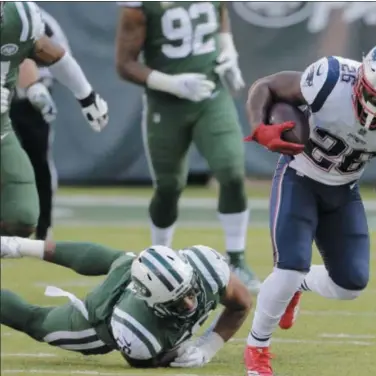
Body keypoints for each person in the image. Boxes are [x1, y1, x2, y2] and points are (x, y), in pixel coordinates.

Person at [242, 39, 376, 375]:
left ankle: (299, 288)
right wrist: (259, 127)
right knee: (289, 267)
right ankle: (257, 348)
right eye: (371, 94)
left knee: (351, 285)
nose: (373, 106)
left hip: (343, 190)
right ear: (361, 75)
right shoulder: (331, 77)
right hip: (298, 176)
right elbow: (266, 86)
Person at [115, 2, 260, 293]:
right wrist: (171, 83)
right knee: (169, 187)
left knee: (231, 172)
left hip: (210, 95)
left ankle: (237, 259)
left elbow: (220, 15)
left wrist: (228, 50)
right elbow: (125, 64)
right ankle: (157, 259)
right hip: (166, 105)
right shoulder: (140, 6)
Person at [0, 236, 252, 368]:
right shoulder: (137, 331)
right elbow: (143, 362)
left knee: (123, 259)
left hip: (134, 275)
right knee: (36, 321)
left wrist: (208, 348)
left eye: (190, 292)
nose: (189, 305)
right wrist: (178, 353)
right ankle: (15, 247)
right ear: (152, 303)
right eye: (176, 303)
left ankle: (15, 245)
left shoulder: (206, 266)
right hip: (102, 319)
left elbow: (241, 304)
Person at [1, 1, 108, 238]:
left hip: (6, 121)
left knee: (23, 215)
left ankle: (42, 228)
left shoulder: (22, 17)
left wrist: (86, 95)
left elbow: (42, 52)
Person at [10, 6, 73, 240]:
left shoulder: (39, 19)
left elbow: (63, 57)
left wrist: (41, 88)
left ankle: (44, 226)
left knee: (39, 161)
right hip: (6, 95)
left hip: (30, 100)